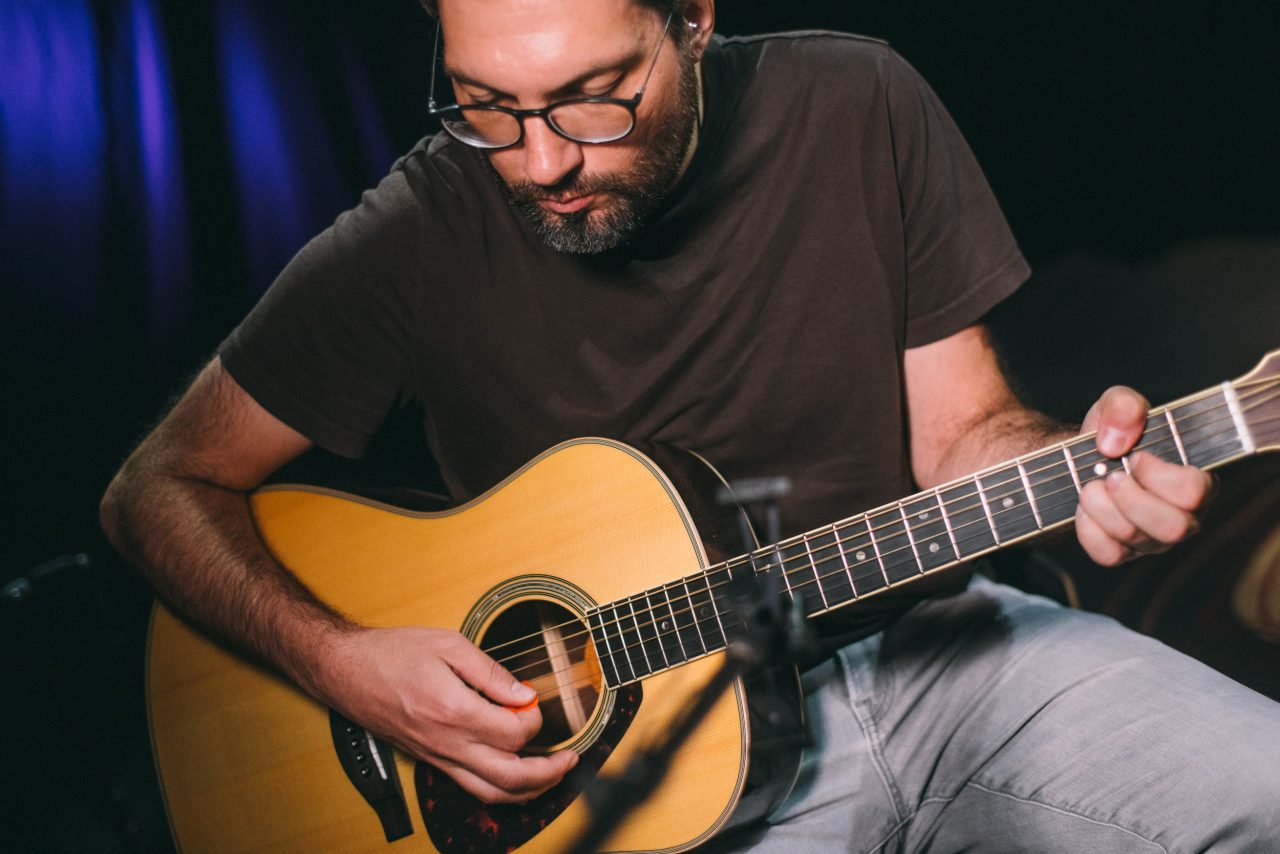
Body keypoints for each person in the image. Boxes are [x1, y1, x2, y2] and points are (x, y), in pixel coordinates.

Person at [101, 0, 1280, 849]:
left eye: (588, 98)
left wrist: (1080, 475)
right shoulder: (413, 234)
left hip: (936, 656)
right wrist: (348, 667)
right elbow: (154, 488)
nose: (543, 161)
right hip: (642, 788)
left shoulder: (859, 101)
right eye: (484, 108)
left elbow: (964, 436)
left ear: (692, 20)